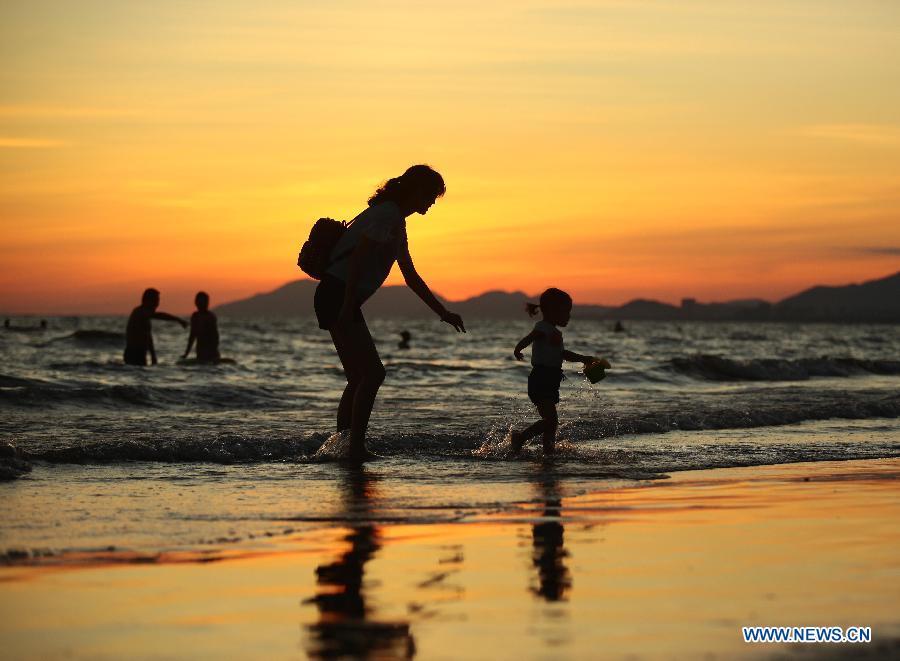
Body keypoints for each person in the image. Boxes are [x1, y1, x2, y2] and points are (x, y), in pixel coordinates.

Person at [313, 164, 465, 462]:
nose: (432, 202)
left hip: (335, 294)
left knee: (358, 377)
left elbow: (410, 275)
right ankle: (354, 447)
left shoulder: (394, 219)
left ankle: (345, 446)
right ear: (416, 191)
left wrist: (443, 312)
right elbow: (358, 259)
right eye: (431, 195)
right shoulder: (387, 215)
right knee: (373, 374)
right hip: (338, 294)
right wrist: (348, 304)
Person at [510, 288, 610, 457]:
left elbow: (562, 354)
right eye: (566, 312)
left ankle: (548, 452)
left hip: (550, 380)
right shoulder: (543, 327)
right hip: (541, 379)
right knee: (551, 421)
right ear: (552, 311)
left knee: (552, 422)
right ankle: (520, 438)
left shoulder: (554, 331)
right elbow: (530, 337)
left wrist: (583, 359)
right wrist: (518, 349)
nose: (568, 316)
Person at [124, 288, 187, 366]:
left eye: (157, 301)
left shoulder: (146, 318)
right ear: (147, 300)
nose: (157, 304)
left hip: (141, 353)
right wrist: (177, 319)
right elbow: (159, 315)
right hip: (133, 353)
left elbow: (148, 336)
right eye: (155, 301)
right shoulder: (139, 312)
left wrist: (153, 355)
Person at [183, 291, 221, 363]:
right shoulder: (195, 316)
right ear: (196, 303)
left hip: (212, 352)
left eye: (206, 302)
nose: (204, 304)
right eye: (201, 302)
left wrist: (213, 350)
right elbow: (192, 335)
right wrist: (186, 353)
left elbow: (215, 336)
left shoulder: (210, 317)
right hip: (200, 351)